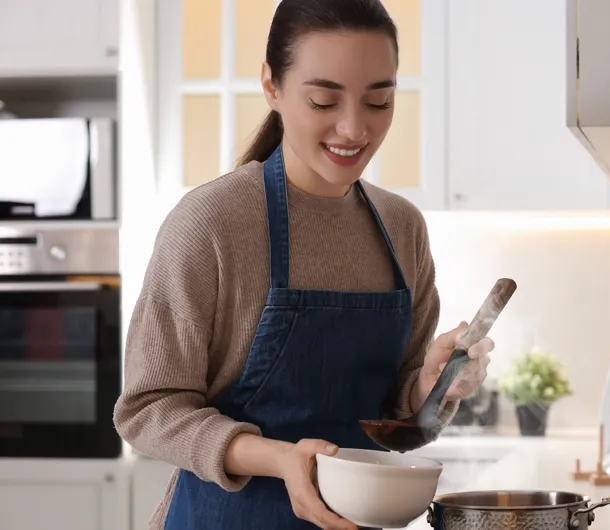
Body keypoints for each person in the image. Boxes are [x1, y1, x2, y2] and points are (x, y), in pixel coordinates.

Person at [113, 1, 495, 528]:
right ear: (272, 85)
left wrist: (433, 382)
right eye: (322, 100)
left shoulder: (402, 226)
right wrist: (278, 458)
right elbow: (147, 409)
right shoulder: (212, 223)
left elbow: (401, 423)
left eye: (379, 101)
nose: (354, 128)